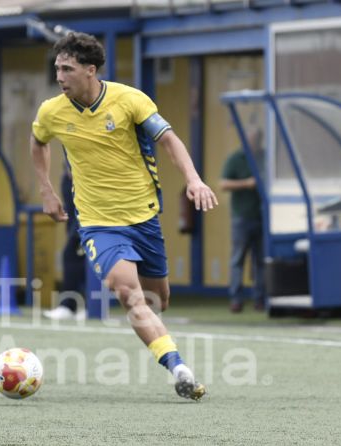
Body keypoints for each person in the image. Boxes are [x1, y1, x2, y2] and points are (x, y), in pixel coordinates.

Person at [30, 32, 217, 401]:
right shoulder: (52, 111)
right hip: (98, 223)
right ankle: (178, 367)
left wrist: (193, 179)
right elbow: (38, 142)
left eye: (67, 69)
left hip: (143, 217)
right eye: (57, 69)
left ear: (90, 70)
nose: (60, 77)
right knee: (127, 293)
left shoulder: (129, 100)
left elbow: (168, 140)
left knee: (157, 300)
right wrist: (46, 189)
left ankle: (162, 337)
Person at [220, 128, 266, 313]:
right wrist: (247, 183)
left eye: (256, 139)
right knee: (238, 259)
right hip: (242, 217)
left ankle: (260, 299)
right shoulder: (235, 159)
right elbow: (223, 184)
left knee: (261, 261)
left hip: (262, 217)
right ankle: (236, 299)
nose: (253, 143)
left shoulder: (265, 157)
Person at [43, 165, 86, 320]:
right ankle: (74, 306)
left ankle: (73, 306)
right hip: (76, 214)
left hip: (89, 212)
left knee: (73, 255)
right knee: (73, 256)